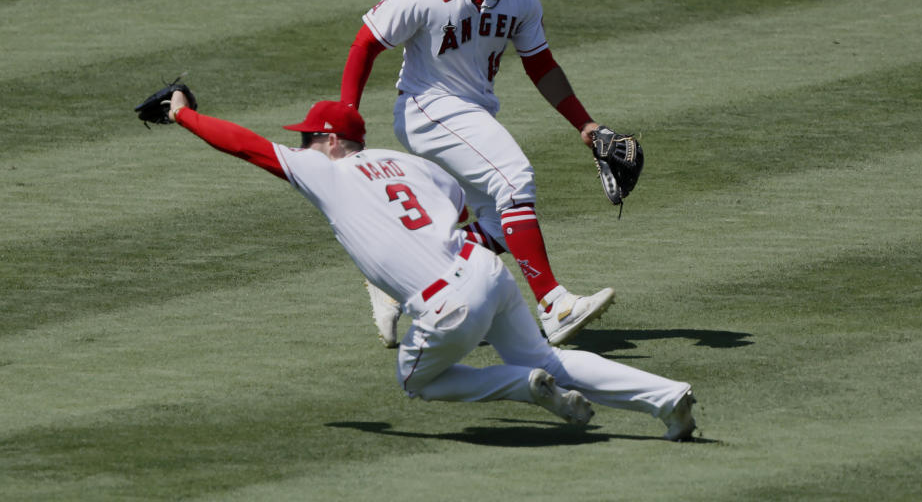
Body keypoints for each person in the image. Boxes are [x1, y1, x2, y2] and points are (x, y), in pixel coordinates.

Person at [162, 91, 698, 440]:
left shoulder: (324, 170)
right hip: (486, 271)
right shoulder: (413, 164)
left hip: (446, 302)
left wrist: (183, 113)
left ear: (330, 140)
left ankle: (521, 385)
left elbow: (245, 146)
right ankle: (668, 397)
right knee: (557, 362)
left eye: (307, 136)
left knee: (417, 380)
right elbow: (463, 215)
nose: (299, 144)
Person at [340, 0, 618, 348]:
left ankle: (396, 280)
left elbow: (541, 64)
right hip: (427, 107)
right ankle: (554, 305)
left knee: (497, 224)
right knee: (516, 179)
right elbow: (366, 43)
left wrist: (583, 124)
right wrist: (347, 115)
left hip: (473, 113)